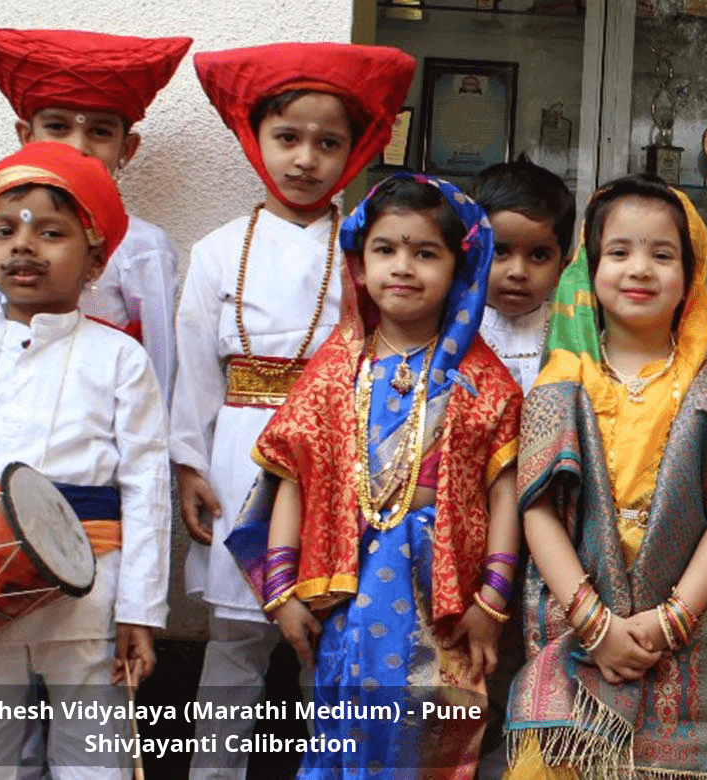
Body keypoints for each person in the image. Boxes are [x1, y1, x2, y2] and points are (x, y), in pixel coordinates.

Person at [173, 42, 416, 780]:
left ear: (357, 149)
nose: (305, 159)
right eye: (288, 138)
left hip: (342, 466)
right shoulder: (217, 251)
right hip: (240, 456)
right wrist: (188, 462)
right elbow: (192, 371)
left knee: (330, 637)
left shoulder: (365, 252)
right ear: (256, 139)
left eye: (328, 142)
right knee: (236, 639)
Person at [223, 173, 520, 777]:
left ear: (460, 267)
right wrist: (280, 592)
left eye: (425, 253)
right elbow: (294, 479)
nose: (402, 267)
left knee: (433, 744)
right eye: (385, 250)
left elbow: (504, 492)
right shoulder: (335, 369)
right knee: (345, 737)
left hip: (446, 600)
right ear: (361, 265)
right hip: (350, 598)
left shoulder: (482, 379)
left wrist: (492, 599)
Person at [504, 173, 707, 779]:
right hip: (576, 626)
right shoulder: (562, 383)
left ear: (691, 273)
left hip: (683, 631)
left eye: (663, 255)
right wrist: (595, 624)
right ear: (591, 267)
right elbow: (537, 510)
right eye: (620, 252)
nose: (640, 269)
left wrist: (671, 619)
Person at [0, 142, 171, 779]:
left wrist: (140, 613)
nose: (24, 246)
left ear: (95, 257)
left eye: (52, 232)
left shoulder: (121, 359)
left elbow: (147, 488)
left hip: (86, 594)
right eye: (4, 231)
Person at [0, 25, 190, 396]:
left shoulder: (143, 245)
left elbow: (160, 361)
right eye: (57, 127)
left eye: (100, 132)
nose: (77, 146)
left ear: (128, 148)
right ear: (27, 137)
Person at [472, 158, 576, 391]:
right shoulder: (453, 334)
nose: (517, 272)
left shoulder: (574, 339)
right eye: (499, 251)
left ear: (562, 267)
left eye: (539, 256)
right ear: (472, 255)